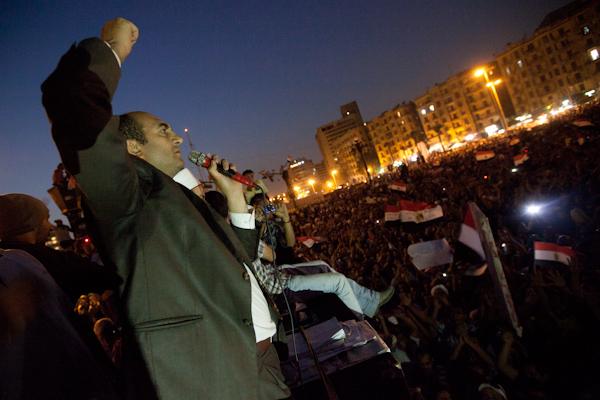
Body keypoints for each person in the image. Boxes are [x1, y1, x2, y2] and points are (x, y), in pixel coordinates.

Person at [42, 18, 289, 400]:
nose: (176, 138)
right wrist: (112, 48)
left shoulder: (183, 196)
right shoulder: (127, 197)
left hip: (262, 367)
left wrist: (235, 200)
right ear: (132, 148)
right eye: (163, 130)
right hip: (213, 380)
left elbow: (237, 263)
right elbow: (72, 107)